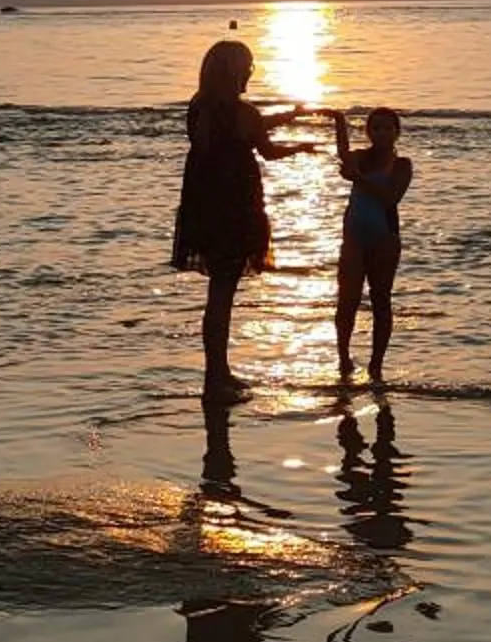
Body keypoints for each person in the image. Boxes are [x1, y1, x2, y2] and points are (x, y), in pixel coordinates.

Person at [172, 37, 313, 395]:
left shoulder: (199, 108)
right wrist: (301, 147)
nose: (251, 74)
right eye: (248, 68)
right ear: (234, 72)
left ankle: (215, 372)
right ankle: (217, 378)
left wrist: (288, 116)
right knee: (223, 294)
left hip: (204, 209)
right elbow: (266, 148)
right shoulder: (243, 114)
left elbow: (242, 130)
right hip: (237, 210)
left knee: (217, 293)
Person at [327, 106, 413, 381]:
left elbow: (390, 198)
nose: (382, 133)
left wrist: (359, 180)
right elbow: (343, 155)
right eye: (376, 128)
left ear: (397, 133)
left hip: (384, 237)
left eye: (388, 128)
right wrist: (338, 121)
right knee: (347, 300)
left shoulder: (402, 165)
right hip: (354, 236)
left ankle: (376, 364)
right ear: (369, 132)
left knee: (380, 300)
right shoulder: (362, 157)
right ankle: (343, 358)